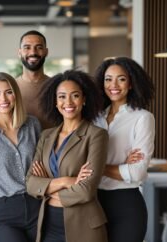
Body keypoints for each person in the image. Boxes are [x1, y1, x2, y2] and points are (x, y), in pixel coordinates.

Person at [26, 69, 108, 242]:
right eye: (62, 96)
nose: (68, 102)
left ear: (84, 99)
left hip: (84, 225)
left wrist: (48, 189)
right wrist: (66, 181)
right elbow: (31, 183)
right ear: (55, 102)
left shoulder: (96, 135)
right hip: (48, 223)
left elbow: (86, 191)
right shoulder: (46, 135)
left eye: (75, 95)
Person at [94, 56, 155, 242]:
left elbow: (136, 172)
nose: (113, 84)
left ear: (130, 84)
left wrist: (97, 167)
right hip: (93, 202)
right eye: (108, 79)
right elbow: (77, 161)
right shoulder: (93, 118)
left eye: (121, 79)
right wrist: (121, 166)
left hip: (126, 204)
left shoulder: (143, 118)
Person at [0, 72, 41, 242]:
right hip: (5, 211)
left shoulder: (33, 125)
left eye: (8, 92)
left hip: (37, 204)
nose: (3, 98)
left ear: (16, 95)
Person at [16, 30, 53, 129]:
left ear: (46, 52)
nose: (33, 52)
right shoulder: (11, 88)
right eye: (27, 47)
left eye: (39, 47)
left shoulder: (57, 86)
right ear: (19, 52)